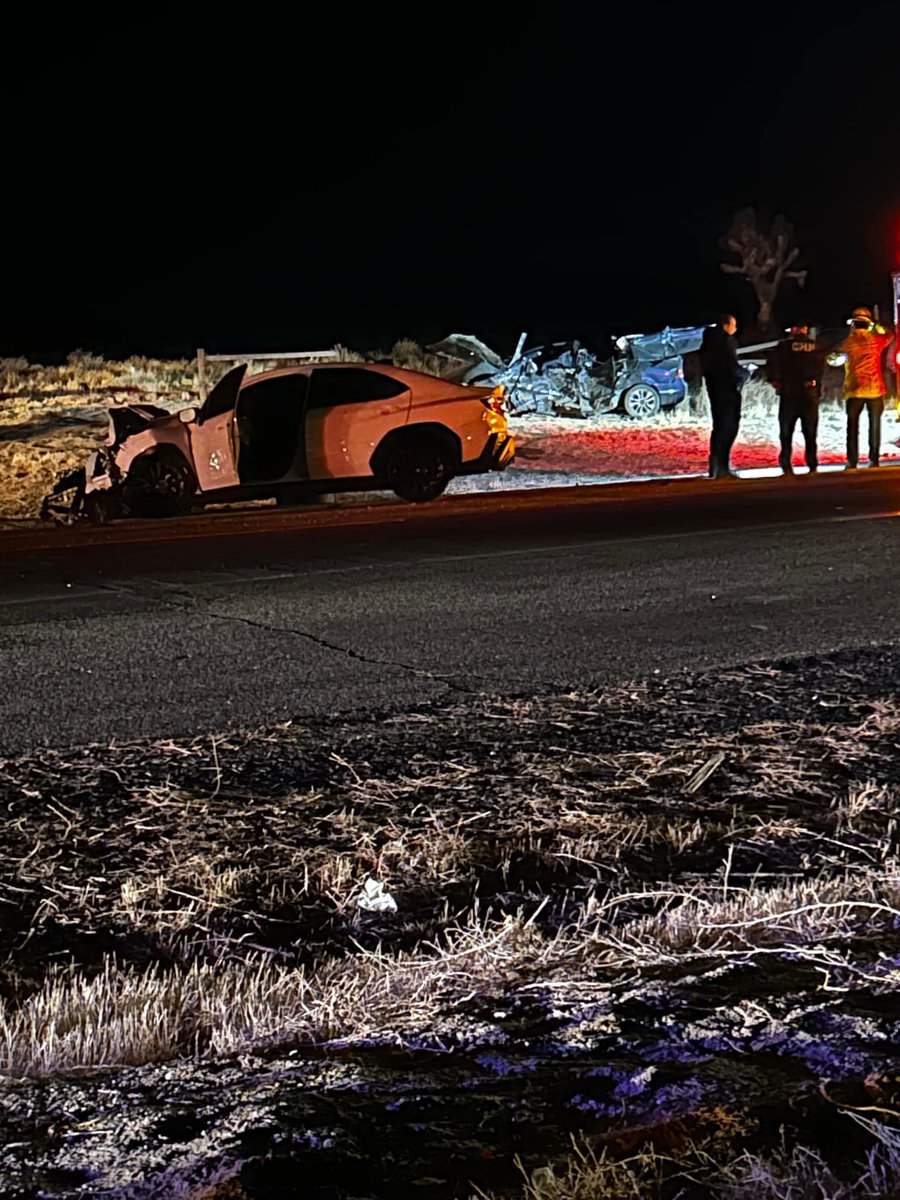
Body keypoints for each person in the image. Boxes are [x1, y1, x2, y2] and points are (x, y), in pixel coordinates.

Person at [827, 306, 894, 469]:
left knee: (852, 428)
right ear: (868, 324)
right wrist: (877, 325)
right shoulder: (876, 341)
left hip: (854, 390)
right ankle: (873, 459)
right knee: (875, 427)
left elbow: (831, 359)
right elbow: (890, 335)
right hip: (875, 390)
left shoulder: (847, 343)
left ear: (853, 324)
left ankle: (852, 460)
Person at [767, 323, 828, 474]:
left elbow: (771, 367)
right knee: (810, 432)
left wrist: (776, 382)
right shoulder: (815, 346)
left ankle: (786, 463)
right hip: (809, 395)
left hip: (789, 394)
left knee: (786, 432)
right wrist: (817, 388)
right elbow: (822, 368)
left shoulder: (783, 346)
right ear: (805, 329)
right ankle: (812, 463)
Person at [700, 313, 748, 478]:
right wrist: (745, 373)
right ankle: (722, 467)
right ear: (726, 325)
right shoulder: (726, 341)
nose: (735, 328)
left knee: (719, 426)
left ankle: (716, 466)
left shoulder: (707, 342)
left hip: (714, 388)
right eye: (734, 325)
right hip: (727, 389)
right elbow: (730, 365)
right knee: (728, 426)